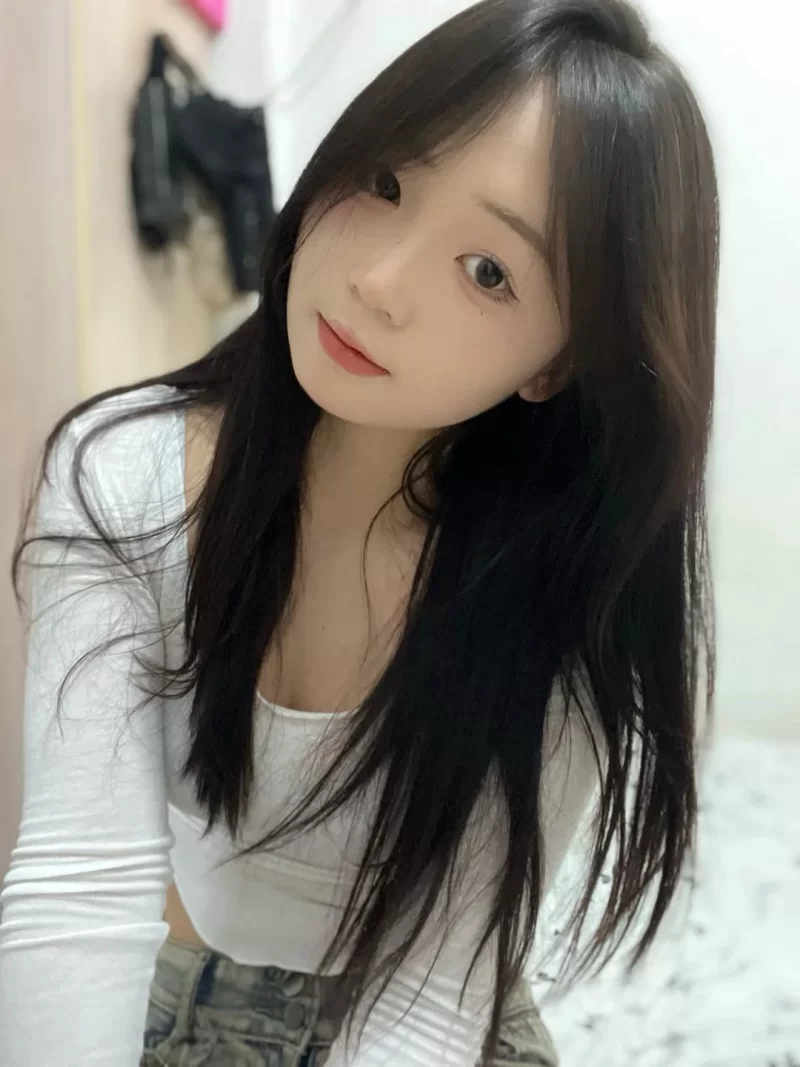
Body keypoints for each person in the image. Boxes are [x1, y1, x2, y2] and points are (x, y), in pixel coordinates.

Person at [0, 0, 719, 1064]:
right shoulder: (122, 476)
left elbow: (429, 997)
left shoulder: (562, 604)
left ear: (558, 362)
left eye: (489, 271)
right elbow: (79, 886)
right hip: (164, 986)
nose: (377, 283)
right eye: (384, 181)